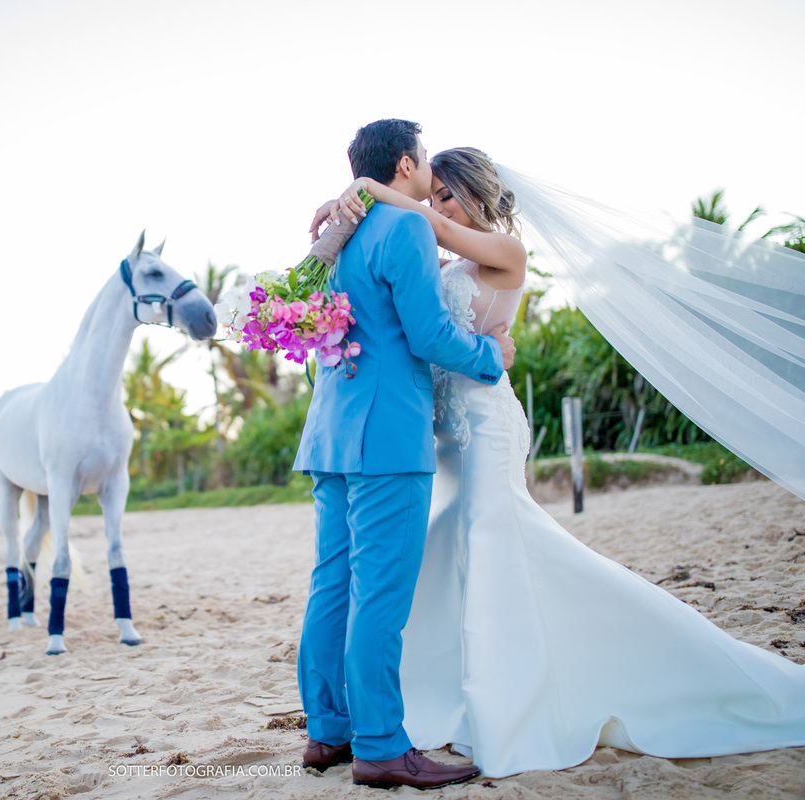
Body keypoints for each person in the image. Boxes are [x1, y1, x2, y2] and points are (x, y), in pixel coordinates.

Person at [310, 144, 805, 780]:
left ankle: (508, 701)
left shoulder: (505, 253)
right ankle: (435, 698)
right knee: (448, 553)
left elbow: (425, 233)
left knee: (494, 543)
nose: (436, 206)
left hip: (485, 422)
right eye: (432, 194)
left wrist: (364, 192)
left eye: (446, 195)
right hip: (441, 431)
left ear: (479, 197)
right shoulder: (436, 256)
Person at [291, 119, 516, 791]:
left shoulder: (341, 233)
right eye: (426, 168)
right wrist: (489, 356)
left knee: (331, 586)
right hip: (387, 436)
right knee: (380, 598)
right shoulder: (406, 228)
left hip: (330, 431)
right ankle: (384, 747)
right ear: (409, 164)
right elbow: (428, 335)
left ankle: (327, 731)